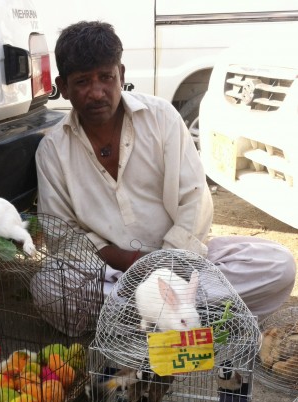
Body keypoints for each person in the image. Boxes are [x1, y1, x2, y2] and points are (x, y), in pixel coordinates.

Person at [35, 20, 295, 325]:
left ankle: (150, 318)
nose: (96, 92)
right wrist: (133, 264)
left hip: (182, 264)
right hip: (112, 275)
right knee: (47, 285)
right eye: (82, 82)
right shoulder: (52, 150)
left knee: (277, 265)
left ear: (121, 75)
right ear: (63, 87)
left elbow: (194, 201)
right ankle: (179, 316)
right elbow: (61, 236)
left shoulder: (162, 118)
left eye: (105, 77)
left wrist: (166, 265)